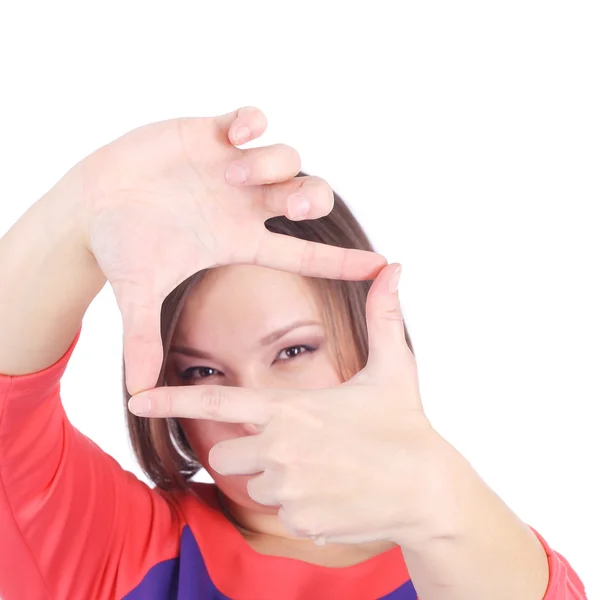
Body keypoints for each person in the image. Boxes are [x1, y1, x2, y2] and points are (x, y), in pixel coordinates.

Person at [0, 107, 586, 600]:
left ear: (369, 339)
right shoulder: (120, 550)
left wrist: (439, 498)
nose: (252, 411)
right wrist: (78, 211)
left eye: (292, 351)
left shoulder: (486, 558)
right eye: (202, 371)